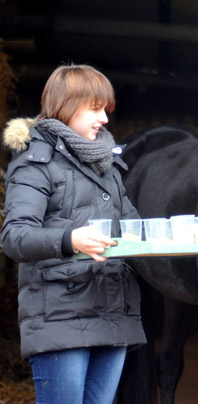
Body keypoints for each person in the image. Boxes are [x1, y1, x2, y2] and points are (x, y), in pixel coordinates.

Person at [1, 64, 146, 404]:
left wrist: (192, 247)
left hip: (112, 313)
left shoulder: (107, 166)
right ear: (68, 106)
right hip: (60, 315)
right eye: (96, 109)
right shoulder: (35, 161)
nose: (105, 119)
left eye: (106, 110)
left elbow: (135, 233)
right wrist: (70, 240)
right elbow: (15, 236)